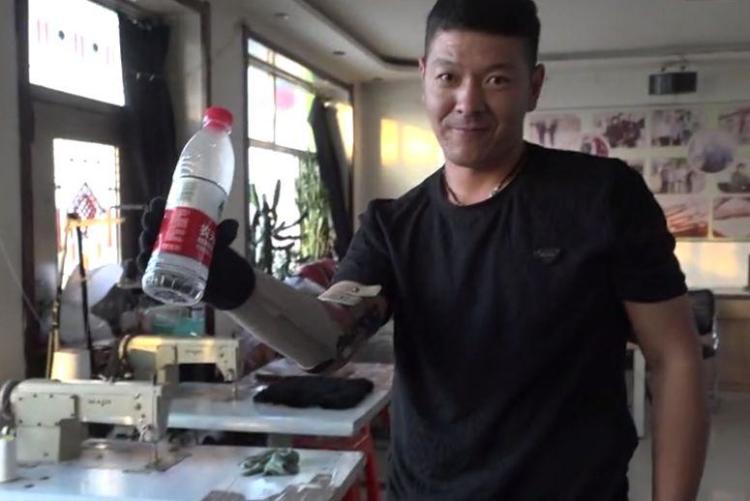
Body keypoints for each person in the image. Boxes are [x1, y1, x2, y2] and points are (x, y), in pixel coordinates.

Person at [139, 1, 708, 499]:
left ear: (533, 86)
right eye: (449, 76)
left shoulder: (603, 197)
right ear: (424, 78)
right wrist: (236, 286)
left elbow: (674, 358)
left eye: (496, 80)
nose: (468, 102)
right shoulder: (393, 226)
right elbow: (327, 342)